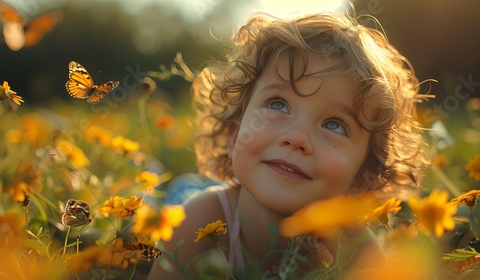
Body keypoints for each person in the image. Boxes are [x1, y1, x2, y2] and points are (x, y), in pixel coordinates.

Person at [148, 9, 430, 280]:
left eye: (334, 125)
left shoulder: (351, 245)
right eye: (278, 104)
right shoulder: (198, 219)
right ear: (235, 135)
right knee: (167, 197)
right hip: (189, 197)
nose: (296, 137)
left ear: (361, 178)